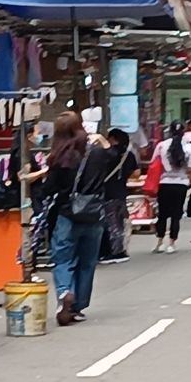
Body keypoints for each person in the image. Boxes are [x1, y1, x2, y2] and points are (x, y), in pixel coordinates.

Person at [43, 111, 112, 324]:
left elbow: (49, 189)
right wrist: (103, 141)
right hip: (93, 214)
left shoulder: (58, 157)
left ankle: (65, 293)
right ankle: (78, 306)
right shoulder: (97, 153)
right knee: (87, 262)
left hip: (67, 214)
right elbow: (117, 159)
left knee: (63, 258)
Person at [152, 120, 191, 254]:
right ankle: (171, 244)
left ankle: (160, 242)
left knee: (162, 214)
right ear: (184, 131)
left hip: (164, 182)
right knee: (176, 214)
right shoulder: (189, 148)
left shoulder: (161, 146)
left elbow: (154, 163)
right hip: (181, 183)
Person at [100, 128, 140, 264]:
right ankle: (120, 249)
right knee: (119, 223)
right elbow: (136, 173)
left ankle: (114, 252)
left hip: (107, 193)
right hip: (121, 192)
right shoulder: (129, 155)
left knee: (110, 223)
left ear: (113, 139)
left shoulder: (107, 154)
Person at [8, 122, 48, 215]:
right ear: (29, 135)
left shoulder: (26, 151)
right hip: (27, 196)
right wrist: (42, 172)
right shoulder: (20, 155)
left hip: (34, 194)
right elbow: (22, 178)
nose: (39, 136)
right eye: (37, 133)